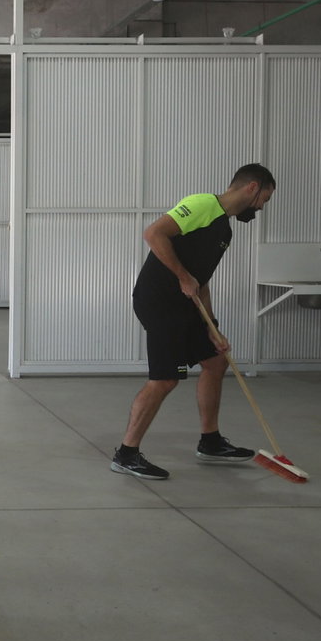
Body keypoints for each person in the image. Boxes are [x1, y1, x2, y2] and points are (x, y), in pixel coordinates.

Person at [111, 163, 277, 481]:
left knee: (215, 361)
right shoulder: (203, 204)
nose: (261, 207)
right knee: (165, 378)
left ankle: (210, 442)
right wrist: (182, 276)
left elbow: (200, 282)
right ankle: (126, 454)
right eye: (264, 199)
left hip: (185, 303)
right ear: (253, 187)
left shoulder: (224, 229)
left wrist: (212, 325)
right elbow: (154, 233)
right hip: (159, 301)